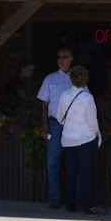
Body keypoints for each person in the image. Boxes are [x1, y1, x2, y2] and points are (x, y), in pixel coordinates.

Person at [57, 64, 101, 214]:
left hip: (68, 139)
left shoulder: (63, 95)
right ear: (86, 80)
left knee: (70, 172)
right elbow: (93, 121)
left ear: (71, 79)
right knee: (85, 173)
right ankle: (86, 205)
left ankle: (70, 204)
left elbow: (59, 117)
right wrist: (96, 133)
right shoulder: (88, 98)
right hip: (86, 139)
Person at [35, 47, 74, 208]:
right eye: (58, 57)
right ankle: (54, 197)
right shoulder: (50, 79)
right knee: (53, 163)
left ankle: (72, 198)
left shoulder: (77, 79)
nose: (61, 60)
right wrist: (44, 126)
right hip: (55, 125)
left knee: (72, 163)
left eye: (64, 57)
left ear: (71, 58)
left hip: (73, 125)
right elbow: (44, 104)